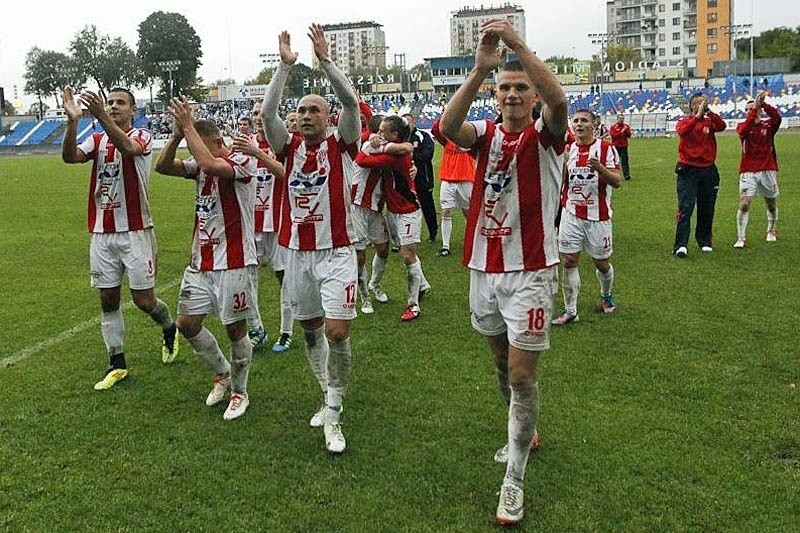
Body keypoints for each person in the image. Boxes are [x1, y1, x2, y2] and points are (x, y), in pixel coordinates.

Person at [439, 18, 568, 526]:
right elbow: (449, 128)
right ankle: (523, 431)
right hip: (482, 270)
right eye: (505, 88)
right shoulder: (484, 135)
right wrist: (478, 72)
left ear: (532, 97)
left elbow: (560, 105)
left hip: (532, 272)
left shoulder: (547, 135)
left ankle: (514, 478)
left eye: (521, 88)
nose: (512, 95)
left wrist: (517, 45)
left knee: (521, 373)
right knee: (500, 367)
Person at [261, 26, 359, 454]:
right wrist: (284, 68)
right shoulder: (289, 147)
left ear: (328, 117)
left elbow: (352, 102)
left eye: (313, 110)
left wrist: (325, 63)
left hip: (337, 250)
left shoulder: (342, 143)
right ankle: (326, 393)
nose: (303, 115)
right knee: (310, 330)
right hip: (295, 252)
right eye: (299, 111)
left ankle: (334, 413)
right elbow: (267, 117)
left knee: (337, 332)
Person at [61, 86, 179, 391]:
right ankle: (117, 362)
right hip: (102, 232)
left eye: (120, 103)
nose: (113, 106)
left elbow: (129, 149)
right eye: (110, 102)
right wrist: (73, 122)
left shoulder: (143, 135)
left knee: (144, 301)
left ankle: (168, 326)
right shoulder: (97, 139)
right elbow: (71, 157)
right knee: (108, 299)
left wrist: (99, 115)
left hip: (136, 231)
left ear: (132, 110)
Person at [155, 99, 258, 420]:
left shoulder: (241, 160)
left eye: (197, 143)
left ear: (217, 143)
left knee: (235, 329)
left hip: (234, 262)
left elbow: (214, 167)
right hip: (200, 262)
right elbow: (162, 166)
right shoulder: (200, 164)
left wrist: (188, 127)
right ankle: (223, 373)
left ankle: (240, 392)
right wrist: (175, 136)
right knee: (186, 323)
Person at [356, 115, 431, 321]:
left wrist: (372, 144)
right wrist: (373, 138)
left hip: (408, 210)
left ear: (394, 135)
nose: (379, 134)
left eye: (383, 131)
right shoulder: (395, 148)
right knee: (404, 253)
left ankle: (413, 305)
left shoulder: (396, 156)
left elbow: (362, 160)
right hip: (392, 211)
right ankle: (422, 285)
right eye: (378, 130)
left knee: (407, 256)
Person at [233, 101, 294, 352]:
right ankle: (256, 328)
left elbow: (286, 174)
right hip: (250, 223)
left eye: (263, 113)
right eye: (256, 114)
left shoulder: (283, 143)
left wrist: (258, 153)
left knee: (284, 278)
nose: (259, 118)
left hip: (277, 221)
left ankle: (286, 331)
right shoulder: (243, 143)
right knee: (246, 278)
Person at [552, 109, 621, 325]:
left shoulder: (606, 148)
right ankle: (570, 310)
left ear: (594, 125)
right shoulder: (568, 149)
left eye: (584, 121)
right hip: (571, 213)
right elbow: (563, 181)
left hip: (597, 216)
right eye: (576, 121)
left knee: (601, 263)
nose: (579, 124)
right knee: (569, 260)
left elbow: (617, 181)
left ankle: (606, 295)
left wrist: (599, 167)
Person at [673, 93, 726, 257]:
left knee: (707, 207)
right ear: (692, 106)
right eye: (699, 102)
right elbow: (682, 131)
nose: (703, 104)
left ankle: (704, 240)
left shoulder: (710, 121)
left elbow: (722, 126)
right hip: (688, 170)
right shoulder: (686, 121)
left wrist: (709, 112)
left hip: (708, 170)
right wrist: (696, 116)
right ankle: (681, 244)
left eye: (705, 101)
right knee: (686, 207)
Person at [733, 92, 782, 248]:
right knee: (745, 203)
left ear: (759, 110)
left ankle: (771, 230)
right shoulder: (743, 126)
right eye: (747, 109)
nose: (750, 112)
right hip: (748, 170)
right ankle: (741, 237)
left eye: (752, 109)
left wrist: (764, 104)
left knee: (771, 204)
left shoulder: (768, 126)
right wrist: (755, 108)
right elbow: (743, 130)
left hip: (768, 169)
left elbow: (777, 118)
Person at [431, 118, 476, 257]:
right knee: (446, 211)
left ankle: (474, 241)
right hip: (448, 180)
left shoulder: (470, 142)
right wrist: (449, 115)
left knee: (469, 213)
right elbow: (435, 128)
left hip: (466, 179)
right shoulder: (447, 141)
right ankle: (446, 246)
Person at [403, 113, 438, 244]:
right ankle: (407, 236)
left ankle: (433, 232)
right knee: (406, 207)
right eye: (404, 123)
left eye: (409, 122)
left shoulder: (423, 136)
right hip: (405, 179)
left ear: (414, 122)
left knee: (427, 205)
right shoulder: (399, 138)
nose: (407, 125)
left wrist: (409, 155)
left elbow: (427, 155)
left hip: (423, 178)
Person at [609, 113, 632, 181]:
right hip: (615, 146)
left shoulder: (626, 126)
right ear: (617, 119)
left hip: (623, 146)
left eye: (622, 119)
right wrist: (621, 132)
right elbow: (614, 136)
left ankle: (626, 175)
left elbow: (629, 135)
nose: (621, 120)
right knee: (614, 161)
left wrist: (627, 131)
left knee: (625, 161)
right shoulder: (613, 126)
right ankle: (612, 174)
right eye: (620, 118)